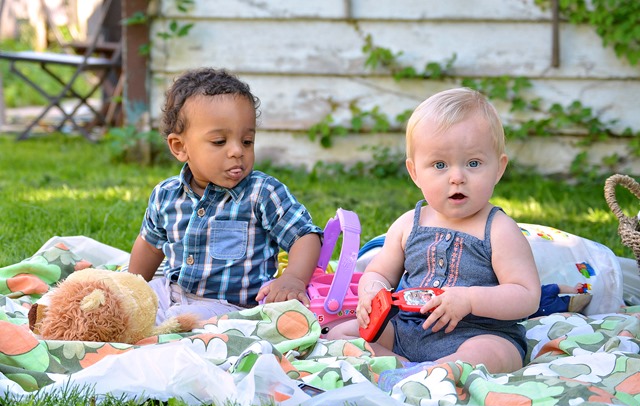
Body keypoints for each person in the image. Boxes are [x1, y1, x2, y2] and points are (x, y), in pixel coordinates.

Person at [327, 87, 541, 374]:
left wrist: (469, 299)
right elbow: (378, 272)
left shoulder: (499, 229)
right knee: (341, 335)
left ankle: (433, 371)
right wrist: (371, 293)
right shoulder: (407, 224)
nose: (457, 177)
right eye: (440, 165)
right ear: (415, 172)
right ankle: (403, 368)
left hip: (475, 333)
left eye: (473, 163)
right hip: (406, 329)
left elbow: (526, 295)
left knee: (494, 353)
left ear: (498, 169)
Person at [128, 68, 323, 322]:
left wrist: (293, 278)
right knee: (123, 306)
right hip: (173, 291)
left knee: (181, 323)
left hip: (230, 308)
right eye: (220, 142)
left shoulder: (262, 193)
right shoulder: (166, 195)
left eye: (247, 141)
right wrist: (131, 287)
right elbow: (150, 246)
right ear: (180, 147)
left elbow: (305, 235)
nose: (236, 151)